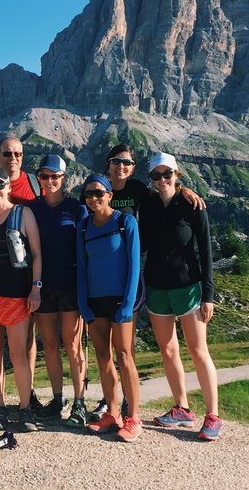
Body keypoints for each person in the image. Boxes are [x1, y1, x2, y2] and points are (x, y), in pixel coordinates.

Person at [88, 144, 206, 421]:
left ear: (133, 167)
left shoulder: (140, 190)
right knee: (104, 350)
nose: (121, 167)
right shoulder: (97, 189)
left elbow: (165, 190)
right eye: (116, 161)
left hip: (132, 273)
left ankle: (129, 403)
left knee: (125, 346)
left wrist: (185, 190)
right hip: (102, 277)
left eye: (127, 162)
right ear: (108, 164)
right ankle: (109, 403)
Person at [138, 153, 222, 441]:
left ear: (177, 175)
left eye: (167, 174)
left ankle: (213, 415)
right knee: (168, 350)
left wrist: (208, 295)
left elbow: (206, 251)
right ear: (150, 179)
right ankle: (182, 409)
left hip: (189, 286)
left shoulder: (192, 204)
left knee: (199, 352)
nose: (162, 180)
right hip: (157, 287)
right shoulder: (147, 205)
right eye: (156, 176)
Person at [0, 136, 43, 414]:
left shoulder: (26, 205)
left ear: (8, 186)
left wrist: (36, 286)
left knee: (22, 349)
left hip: (19, 289)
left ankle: (27, 402)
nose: (13, 158)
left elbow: (36, 252)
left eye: (18, 153)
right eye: (7, 153)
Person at [77, 174, 143, 442]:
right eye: (89, 194)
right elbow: (82, 268)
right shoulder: (83, 227)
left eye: (99, 193)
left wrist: (128, 304)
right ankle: (112, 413)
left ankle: (134, 418)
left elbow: (134, 266)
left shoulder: (125, 222)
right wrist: (84, 305)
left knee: (125, 356)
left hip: (120, 300)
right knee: (103, 357)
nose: (94, 198)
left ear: (109, 195)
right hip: (95, 301)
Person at [28, 155, 89, 427]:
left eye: (55, 177)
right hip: (42, 286)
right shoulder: (31, 209)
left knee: (73, 345)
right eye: (45, 176)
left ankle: (80, 403)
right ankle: (57, 399)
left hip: (71, 285)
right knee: (50, 345)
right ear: (38, 178)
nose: (50, 181)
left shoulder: (77, 209)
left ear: (64, 179)